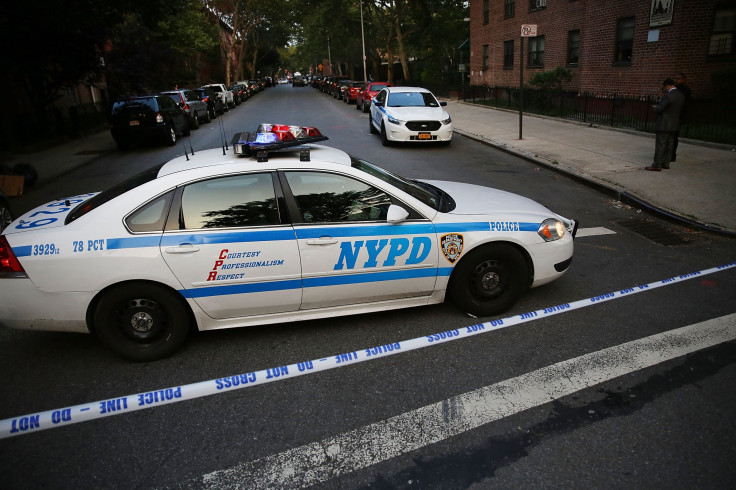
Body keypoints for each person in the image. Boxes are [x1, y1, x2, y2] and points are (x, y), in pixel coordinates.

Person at [646, 78, 685, 172]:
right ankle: (666, 163)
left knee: (660, 145)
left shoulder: (668, 96)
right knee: (670, 145)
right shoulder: (681, 95)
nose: (665, 89)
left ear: (668, 85)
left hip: (663, 124)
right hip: (674, 124)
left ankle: (657, 165)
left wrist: (656, 107)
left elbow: (660, 109)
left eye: (665, 87)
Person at [672, 72, 691, 162]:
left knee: (674, 137)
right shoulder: (675, 89)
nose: (677, 80)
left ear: (684, 79)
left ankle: (672, 155)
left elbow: (685, 105)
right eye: (676, 78)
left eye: (679, 78)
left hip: (678, 116)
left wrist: (681, 118)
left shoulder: (685, 90)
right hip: (671, 116)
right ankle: (668, 154)